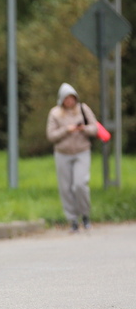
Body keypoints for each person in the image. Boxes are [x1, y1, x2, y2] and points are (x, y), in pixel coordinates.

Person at [46, 83, 97, 232]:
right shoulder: (55, 113)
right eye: (66, 98)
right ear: (61, 99)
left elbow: (95, 128)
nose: (69, 101)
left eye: (72, 98)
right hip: (63, 153)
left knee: (80, 184)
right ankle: (72, 220)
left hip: (82, 151)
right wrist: (66, 130)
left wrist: (84, 128)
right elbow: (51, 135)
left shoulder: (83, 109)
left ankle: (85, 215)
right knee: (66, 188)